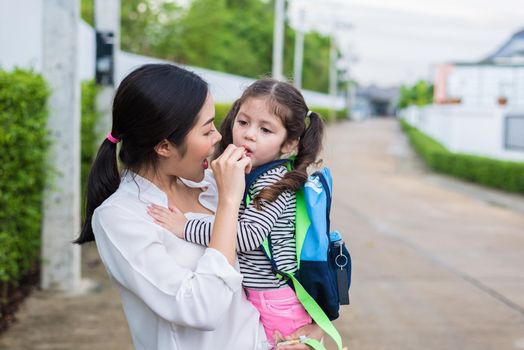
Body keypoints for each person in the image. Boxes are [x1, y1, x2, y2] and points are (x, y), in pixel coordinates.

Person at [74, 64, 321, 350]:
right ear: (164, 146)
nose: (219, 137)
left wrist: (309, 333)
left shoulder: (213, 184)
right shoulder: (120, 218)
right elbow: (202, 309)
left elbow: (267, 271)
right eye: (207, 131)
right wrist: (229, 203)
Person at [147, 78, 325, 346]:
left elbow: (246, 236)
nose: (249, 134)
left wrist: (185, 227)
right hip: (263, 298)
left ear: (288, 144)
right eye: (243, 122)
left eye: (266, 130)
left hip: (275, 302)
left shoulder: (274, 183)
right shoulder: (249, 171)